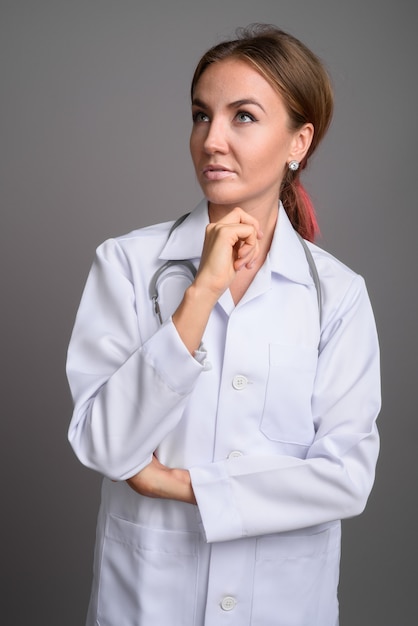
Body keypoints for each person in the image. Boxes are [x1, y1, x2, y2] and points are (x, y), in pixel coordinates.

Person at [66, 24, 380, 626]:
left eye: (243, 117)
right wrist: (201, 291)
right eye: (200, 115)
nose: (212, 140)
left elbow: (345, 479)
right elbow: (105, 444)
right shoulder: (127, 265)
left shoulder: (338, 295)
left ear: (299, 141)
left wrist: (180, 484)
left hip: (284, 604)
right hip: (149, 601)